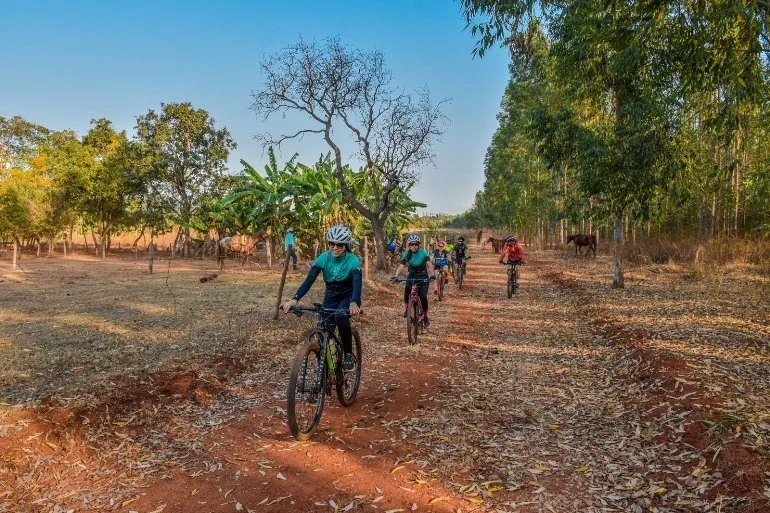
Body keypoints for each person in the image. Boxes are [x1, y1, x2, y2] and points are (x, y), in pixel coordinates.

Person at [282, 225, 362, 372]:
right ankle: (327, 369)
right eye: (332, 244)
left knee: (340, 317)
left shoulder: (353, 260)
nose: (335, 247)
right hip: (331, 295)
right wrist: (295, 299)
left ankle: (348, 356)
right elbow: (309, 279)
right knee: (324, 329)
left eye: (340, 244)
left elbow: (357, 283)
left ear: (346, 245)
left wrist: (354, 302)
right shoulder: (324, 258)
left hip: (348, 295)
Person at [391, 234, 434, 328]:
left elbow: (429, 264)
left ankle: (425, 316)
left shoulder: (423, 252)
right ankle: (407, 308)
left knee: (423, 297)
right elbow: (401, 265)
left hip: (422, 275)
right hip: (412, 275)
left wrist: (432, 275)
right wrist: (396, 276)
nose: (414, 246)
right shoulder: (407, 253)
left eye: (416, 244)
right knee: (407, 290)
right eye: (412, 245)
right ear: (409, 245)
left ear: (418, 245)